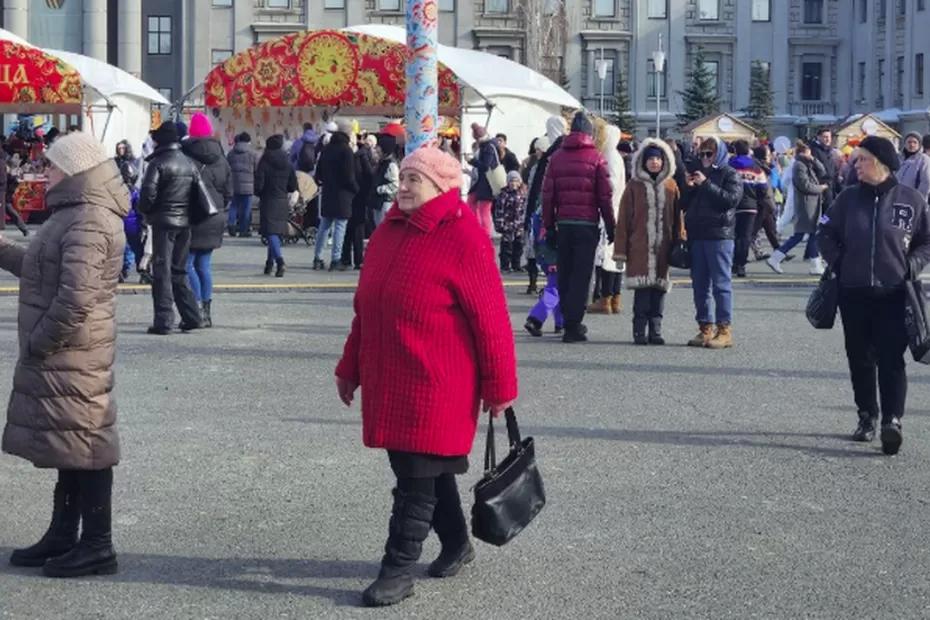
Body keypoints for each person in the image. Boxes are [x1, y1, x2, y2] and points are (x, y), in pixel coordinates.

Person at [334, 148, 517, 607]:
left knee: (415, 478)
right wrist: (349, 367)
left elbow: (491, 320)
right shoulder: (388, 230)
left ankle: (397, 570)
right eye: (405, 177)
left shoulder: (463, 237)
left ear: (442, 186)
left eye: (417, 179)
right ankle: (457, 544)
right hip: (391, 378)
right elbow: (367, 310)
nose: (405, 185)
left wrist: (500, 388)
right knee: (421, 470)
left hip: (438, 382)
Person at [0, 131, 127, 577]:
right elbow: (40, 270)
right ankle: (62, 534)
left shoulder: (88, 220)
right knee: (71, 440)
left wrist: (40, 343)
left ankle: (97, 545)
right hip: (69, 351)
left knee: (88, 441)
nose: (44, 171)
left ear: (73, 169)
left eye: (51, 165)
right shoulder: (72, 214)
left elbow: (77, 299)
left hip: (74, 352)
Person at [818, 135, 930, 456]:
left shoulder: (910, 200)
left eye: (862, 159)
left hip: (894, 293)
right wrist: (838, 260)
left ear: (879, 163)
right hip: (853, 293)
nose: (856, 164)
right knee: (860, 357)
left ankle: (892, 421)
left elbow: (926, 240)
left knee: (891, 359)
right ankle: (867, 416)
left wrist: (912, 265)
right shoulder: (848, 198)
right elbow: (825, 232)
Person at [542, 110, 615, 343]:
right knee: (582, 276)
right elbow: (605, 197)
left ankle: (566, 319)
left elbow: (547, 197)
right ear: (589, 134)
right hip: (587, 224)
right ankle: (574, 324)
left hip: (563, 224)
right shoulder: (596, 158)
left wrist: (549, 226)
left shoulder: (556, 158)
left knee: (565, 272)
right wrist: (611, 226)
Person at [614, 139, 683, 345]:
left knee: (659, 292)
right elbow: (624, 219)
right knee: (642, 293)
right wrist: (620, 251)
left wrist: (681, 239)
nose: (654, 162)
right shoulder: (634, 186)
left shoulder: (671, 186)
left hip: (664, 247)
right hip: (639, 248)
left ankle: (656, 330)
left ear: (665, 162)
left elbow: (679, 216)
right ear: (643, 161)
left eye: (658, 159)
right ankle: (639, 331)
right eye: (651, 158)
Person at [137, 121, 203, 335]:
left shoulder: (158, 163)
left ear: (160, 140)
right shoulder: (188, 163)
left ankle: (164, 320)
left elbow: (147, 195)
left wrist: (146, 212)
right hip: (185, 223)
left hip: (164, 223)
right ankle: (192, 316)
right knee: (179, 270)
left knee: (162, 271)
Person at [681, 137, 743, 349]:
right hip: (698, 234)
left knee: (721, 284)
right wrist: (689, 188)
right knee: (700, 285)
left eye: (710, 153)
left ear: (720, 153)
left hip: (719, 235)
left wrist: (706, 184)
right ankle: (705, 327)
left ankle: (724, 329)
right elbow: (684, 204)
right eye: (703, 153)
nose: (706, 158)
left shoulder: (729, 173)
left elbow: (730, 200)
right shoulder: (698, 173)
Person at [182, 112, 232, 327]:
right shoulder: (221, 157)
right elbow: (229, 190)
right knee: (204, 264)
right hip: (216, 214)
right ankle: (207, 311)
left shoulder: (186, 156)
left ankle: (196, 307)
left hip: (195, 215)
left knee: (187, 263)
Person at [766, 141, 828, 275]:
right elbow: (804, 185)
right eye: (808, 152)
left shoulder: (808, 164)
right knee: (803, 234)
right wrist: (820, 188)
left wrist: (814, 160)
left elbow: (823, 171)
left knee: (810, 234)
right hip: (806, 205)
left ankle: (814, 263)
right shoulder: (798, 166)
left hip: (812, 204)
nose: (810, 155)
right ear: (803, 153)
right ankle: (777, 257)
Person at [587, 123, 626, 315]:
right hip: (618, 209)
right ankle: (615, 297)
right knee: (617, 259)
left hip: (608, 211)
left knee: (605, 258)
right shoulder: (617, 156)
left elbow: (608, 184)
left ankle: (605, 298)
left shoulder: (608, 156)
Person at [314, 120, 358, 271]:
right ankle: (336, 259)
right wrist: (355, 189)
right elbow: (349, 176)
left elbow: (318, 173)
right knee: (340, 225)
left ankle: (317, 257)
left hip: (328, 192)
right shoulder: (346, 151)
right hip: (343, 194)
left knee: (324, 225)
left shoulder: (326, 149)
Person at [255, 134, 297, 278]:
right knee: (275, 233)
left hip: (269, 200)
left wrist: (259, 192)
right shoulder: (287, 162)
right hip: (282, 200)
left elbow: (259, 185)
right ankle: (269, 263)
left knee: (271, 232)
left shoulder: (264, 162)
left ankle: (280, 261)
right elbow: (293, 185)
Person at [729, 140, 768, 278]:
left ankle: (732, 262)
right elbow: (763, 188)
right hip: (750, 206)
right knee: (745, 236)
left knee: (733, 235)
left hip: (733, 205)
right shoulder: (756, 168)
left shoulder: (730, 165)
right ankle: (741, 265)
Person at [342, 132, 376, 269]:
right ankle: (356, 259)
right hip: (359, 195)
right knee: (356, 228)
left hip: (354, 195)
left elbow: (366, 175)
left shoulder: (358, 156)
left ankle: (348, 258)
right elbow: (369, 175)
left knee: (352, 228)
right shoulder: (361, 155)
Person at [467, 123, 501, 236]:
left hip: (487, 183)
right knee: (473, 203)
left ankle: (483, 234)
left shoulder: (488, 147)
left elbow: (485, 166)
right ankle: (476, 230)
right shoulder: (489, 145)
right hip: (483, 182)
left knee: (483, 209)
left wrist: (472, 161)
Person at [750, 145, 781, 261]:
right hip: (761, 203)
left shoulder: (766, 167)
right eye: (768, 155)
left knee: (770, 230)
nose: (770, 157)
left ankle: (780, 253)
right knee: (752, 232)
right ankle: (737, 259)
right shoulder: (758, 168)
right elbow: (766, 188)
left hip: (766, 203)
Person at [492, 170, 527, 272]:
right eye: (511, 181)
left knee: (518, 245)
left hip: (519, 224)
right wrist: (500, 223)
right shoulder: (504, 194)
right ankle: (505, 265)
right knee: (507, 245)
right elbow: (500, 210)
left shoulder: (522, 193)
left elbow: (524, 208)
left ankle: (516, 265)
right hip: (507, 224)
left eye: (516, 181)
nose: (513, 183)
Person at [227, 132, 259, 237]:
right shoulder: (253, 154)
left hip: (234, 184)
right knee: (246, 208)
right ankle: (243, 230)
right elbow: (256, 170)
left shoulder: (231, 153)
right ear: (249, 141)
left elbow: (227, 169)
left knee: (234, 206)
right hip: (248, 185)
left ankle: (231, 225)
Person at [370, 134, 399, 227]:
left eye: (379, 147)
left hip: (386, 202)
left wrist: (379, 189)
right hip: (378, 202)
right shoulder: (382, 162)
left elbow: (395, 184)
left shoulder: (391, 165)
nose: (376, 149)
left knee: (383, 227)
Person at [810, 126, 839, 208]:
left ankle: (826, 221)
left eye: (829, 137)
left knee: (830, 209)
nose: (828, 139)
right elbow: (814, 168)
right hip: (822, 186)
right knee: (825, 211)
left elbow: (832, 168)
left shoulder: (829, 150)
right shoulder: (814, 150)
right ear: (819, 137)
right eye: (825, 137)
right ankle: (823, 221)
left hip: (831, 185)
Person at [896, 131, 930, 200]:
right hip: (898, 197)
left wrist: (919, 200)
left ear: (919, 144)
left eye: (915, 142)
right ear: (905, 144)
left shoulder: (923, 159)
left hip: (914, 199)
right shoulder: (899, 158)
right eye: (909, 142)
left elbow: (926, 182)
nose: (912, 144)